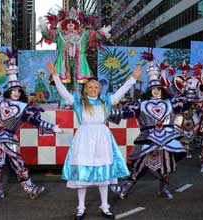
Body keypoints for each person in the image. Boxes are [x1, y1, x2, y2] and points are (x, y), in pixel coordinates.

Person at [47, 61, 142, 220]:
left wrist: (132, 78)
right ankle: (81, 207)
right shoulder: (77, 101)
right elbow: (63, 92)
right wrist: (56, 77)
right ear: (85, 89)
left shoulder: (106, 100)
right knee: (82, 175)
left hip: (102, 138)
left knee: (103, 173)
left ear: (100, 89)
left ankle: (105, 206)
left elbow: (121, 90)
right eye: (90, 87)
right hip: (84, 138)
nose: (93, 89)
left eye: (96, 87)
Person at [0, 53, 63, 200]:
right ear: (8, 91)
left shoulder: (24, 107)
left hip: (10, 139)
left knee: (19, 164)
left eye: (18, 91)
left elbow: (34, 121)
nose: (16, 93)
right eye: (14, 90)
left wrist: (51, 126)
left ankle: (31, 189)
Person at [109, 57, 186, 200]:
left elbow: (188, 103)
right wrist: (108, 113)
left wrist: (191, 88)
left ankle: (163, 188)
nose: (156, 91)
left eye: (158, 88)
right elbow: (125, 113)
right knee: (140, 164)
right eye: (153, 89)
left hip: (168, 138)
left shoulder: (171, 103)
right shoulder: (140, 104)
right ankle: (124, 188)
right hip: (148, 138)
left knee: (166, 165)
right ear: (149, 91)